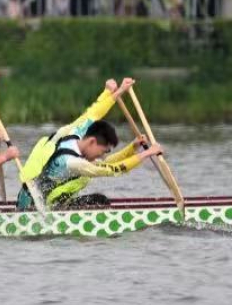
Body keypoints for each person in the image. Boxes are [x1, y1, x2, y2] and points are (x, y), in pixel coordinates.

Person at [17, 78, 164, 210]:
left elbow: (94, 113)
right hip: (35, 208)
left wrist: (112, 92)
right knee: (100, 202)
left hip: (38, 199)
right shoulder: (74, 163)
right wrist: (147, 153)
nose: (102, 155)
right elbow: (112, 169)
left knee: (99, 199)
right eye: (103, 151)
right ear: (92, 141)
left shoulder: (73, 133)